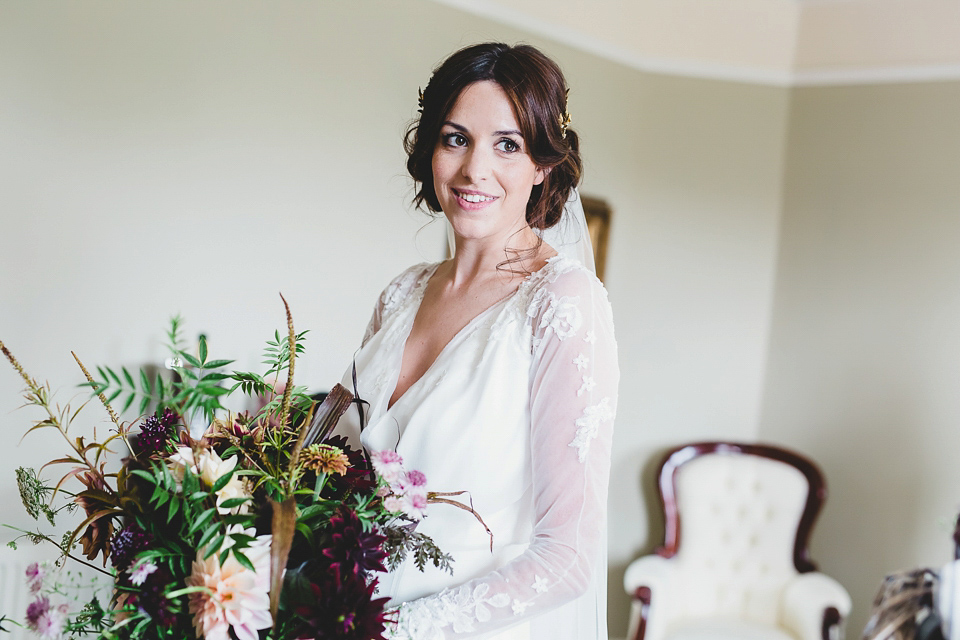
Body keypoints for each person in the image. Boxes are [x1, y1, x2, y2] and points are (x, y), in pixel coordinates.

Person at [335, 42, 619, 640]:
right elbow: (337, 468)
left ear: (543, 163)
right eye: (456, 138)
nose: (473, 171)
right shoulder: (400, 294)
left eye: (507, 145)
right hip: (346, 611)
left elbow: (567, 558)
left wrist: (395, 630)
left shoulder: (562, 303)